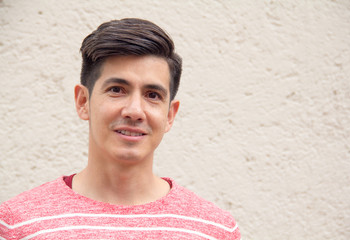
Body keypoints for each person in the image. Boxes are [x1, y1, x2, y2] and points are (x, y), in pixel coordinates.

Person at [0, 18, 241, 239]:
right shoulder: (17, 224)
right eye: (117, 89)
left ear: (169, 115)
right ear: (83, 102)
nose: (134, 111)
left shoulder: (216, 230)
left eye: (152, 95)